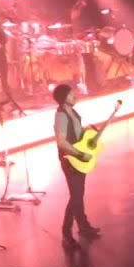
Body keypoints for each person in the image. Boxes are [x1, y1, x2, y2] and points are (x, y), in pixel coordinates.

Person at [52, 83, 100, 249]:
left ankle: (83, 225)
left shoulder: (73, 112)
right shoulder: (61, 116)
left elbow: (78, 134)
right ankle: (66, 233)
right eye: (71, 94)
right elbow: (62, 142)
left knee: (78, 194)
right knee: (76, 195)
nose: (75, 96)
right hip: (70, 159)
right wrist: (80, 154)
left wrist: (89, 137)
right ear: (63, 97)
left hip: (78, 158)